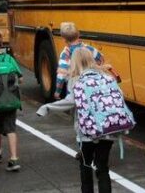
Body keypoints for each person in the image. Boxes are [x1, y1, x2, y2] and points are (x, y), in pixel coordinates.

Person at [37, 48, 121, 193]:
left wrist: (47, 107)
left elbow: (70, 102)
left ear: (74, 62)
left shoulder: (76, 80)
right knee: (103, 168)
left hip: (87, 133)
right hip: (108, 129)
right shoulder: (106, 77)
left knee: (85, 167)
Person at [0, 31, 23, 172]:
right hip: (11, 100)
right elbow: (21, 78)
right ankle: (13, 159)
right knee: (11, 129)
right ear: (1, 44)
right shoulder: (9, 59)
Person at [54, 22, 104, 99]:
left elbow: (61, 75)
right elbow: (101, 59)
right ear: (78, 34)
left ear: (64, 39)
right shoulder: (89, 49)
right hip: (92, 87)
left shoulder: (66, 54)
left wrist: (57, 92)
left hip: (74, 90)